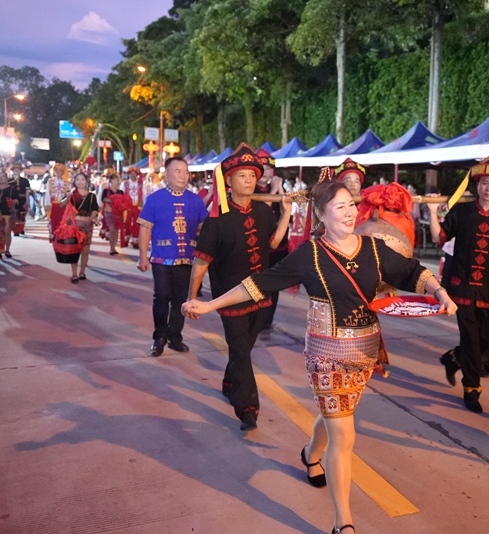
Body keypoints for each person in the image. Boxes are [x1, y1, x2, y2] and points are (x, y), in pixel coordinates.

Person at [182, 180, 456, 534]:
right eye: (339, 207)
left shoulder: (373, 248)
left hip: (365, 351)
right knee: (345, 435)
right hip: (326, 354)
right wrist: (209, 304)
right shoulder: (308, 255)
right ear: (322, 215)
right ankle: (344, 523)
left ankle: (311, 452)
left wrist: (441, 293)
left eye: (351, 205)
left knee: (338, 415)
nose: (349, 212)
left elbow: (411, 272)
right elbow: (258, 284)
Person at [188, 144, 291, 431]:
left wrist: (285, 214)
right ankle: (248, 407)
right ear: (228, 181)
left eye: (252, 175)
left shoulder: (263, 211)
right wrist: (192, 298)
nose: (248, 180)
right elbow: (201, 263)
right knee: (241, 350)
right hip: (228, 298)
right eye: (242, 175)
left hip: (261, 293)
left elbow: (272, 244)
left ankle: (230, 381)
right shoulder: (216, 219)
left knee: (243, 348)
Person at [427, 152, 489, 413]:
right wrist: (434, 212)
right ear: (477, 185)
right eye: (484, 182)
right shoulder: (462, 211)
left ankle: (453, 357)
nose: (488, 187)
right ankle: (472, 389)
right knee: (470, 338)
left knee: (488, 339)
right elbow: (439, 238)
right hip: (462, 287)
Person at [137, 157, 207, 357]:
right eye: (177, 171)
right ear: (166, 175)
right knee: (161, 297)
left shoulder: (195, 201)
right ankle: (159, 337)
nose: (183, 175)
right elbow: (145, 229)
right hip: (161, 259)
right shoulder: (155, 199)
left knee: (180, 299)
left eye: (185, 171)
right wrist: (143, 257)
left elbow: (207, 229)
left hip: (187, 260)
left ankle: (175, 336)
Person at [253, 147, 289, 340]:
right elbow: (261, 215)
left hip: (278, 247)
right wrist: (274, 191)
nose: (266, 173)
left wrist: (281, 190)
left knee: (273, 287)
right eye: (263, 169)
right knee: (258, 286)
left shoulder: (279, 189)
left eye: (269, 169)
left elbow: (286, 212)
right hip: (258, 248)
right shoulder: (251, 189)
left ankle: (267, 322)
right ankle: (256, 321)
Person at [66, 172, 100, 283]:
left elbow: (95, 210)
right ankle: (74, 274)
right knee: (74, 251)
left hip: (87, 226)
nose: (80, 182)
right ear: (74, 182)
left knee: (85, 251)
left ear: (86, 182)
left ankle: (82, 272)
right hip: (74, 226)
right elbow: (62, 205)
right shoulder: (71, 194)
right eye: (77, 180)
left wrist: (91, 218)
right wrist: (67, 198)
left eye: (83, 180)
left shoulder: (91, 196)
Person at [101, 174, 126, 255]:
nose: (117, 182)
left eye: (118, 180)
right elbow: (103, 199)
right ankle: (111, 248)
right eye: (115, 180)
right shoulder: (105, 190)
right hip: (108, 212)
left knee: (116, 230)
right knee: (112, 229)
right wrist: (112, 200)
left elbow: (123, 201)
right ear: (111, 180)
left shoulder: (120, 191)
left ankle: (114, 247)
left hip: (117, 213)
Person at [44, 163, 69, 242]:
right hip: (53, 205)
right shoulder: (50, 181)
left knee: (62, 221)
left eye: (60, 171)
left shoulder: (67, 183)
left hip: (63, 205)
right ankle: (54, 236)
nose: (58, 172)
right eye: (57, 170)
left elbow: (68, 195)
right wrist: (46, 204)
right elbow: (47, 193)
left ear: (63, 172)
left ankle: (60, 236)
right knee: (53, 220)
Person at [0, 172, 17, 258]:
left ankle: (7, 250)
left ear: (6, 178)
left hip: (9, 213)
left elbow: (16, 200)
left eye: (3, 177)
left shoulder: (12, 189)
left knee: (7, 232)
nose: (1, 179)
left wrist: (10, 202)